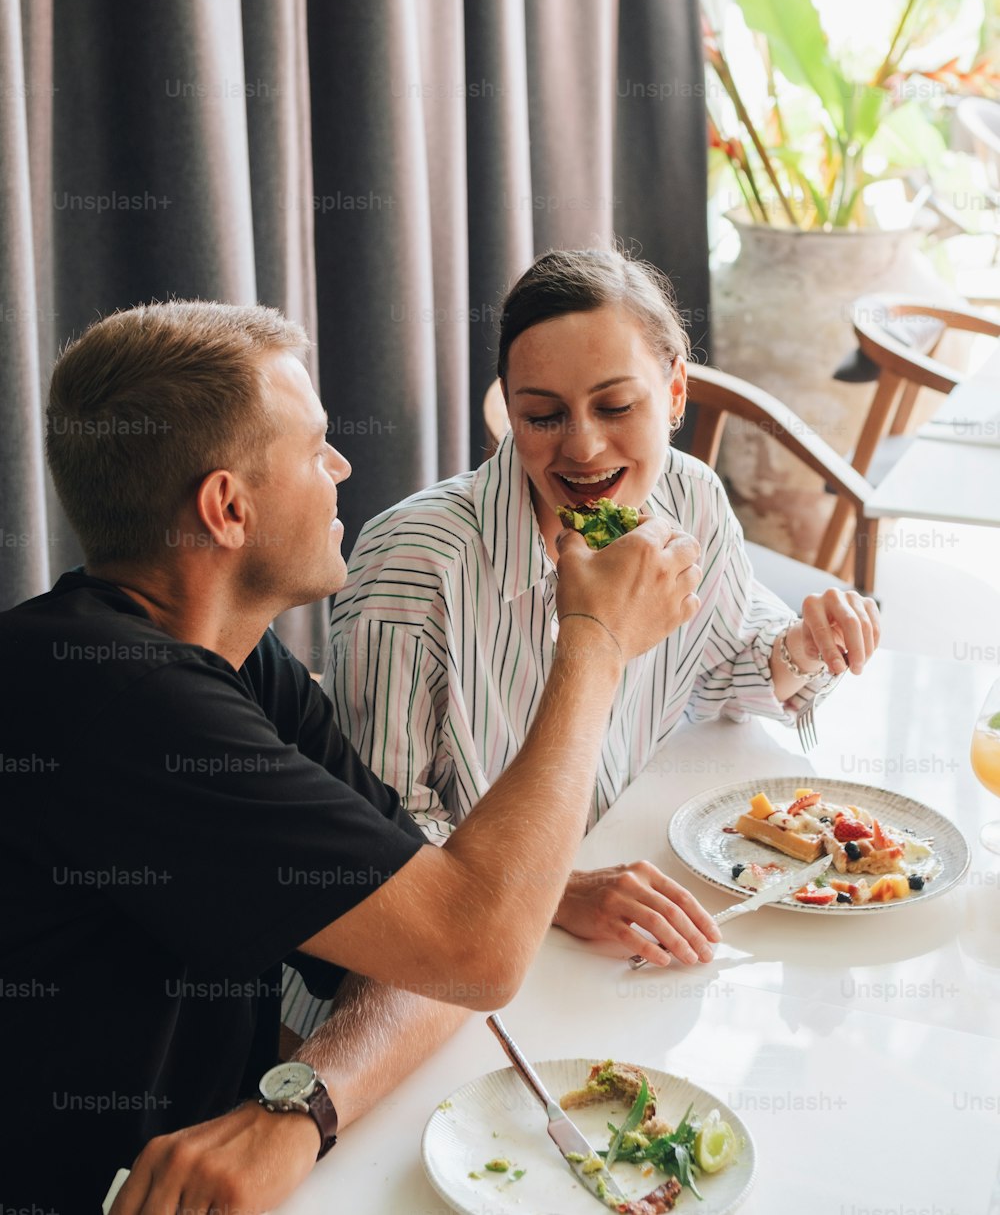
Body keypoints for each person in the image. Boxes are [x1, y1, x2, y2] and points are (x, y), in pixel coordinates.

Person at [0, 298, 702, 1212]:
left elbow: (435, 946)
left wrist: (296, 1114)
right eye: (315, 448)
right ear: (227, 507)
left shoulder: (237, 663)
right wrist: (596, 642)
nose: (343, 467)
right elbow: (477, 948)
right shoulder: (118, 700)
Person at [326, 248, 880, 975]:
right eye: (543, 415)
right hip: (451, 962)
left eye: (616, 407)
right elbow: (376, 842)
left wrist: (804, 648)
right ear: (509, 408)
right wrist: (557, 890)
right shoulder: (415, 560)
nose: (582, 447)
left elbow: (722, 670)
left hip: (633, 898)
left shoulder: (692, 498)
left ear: (676, 391)